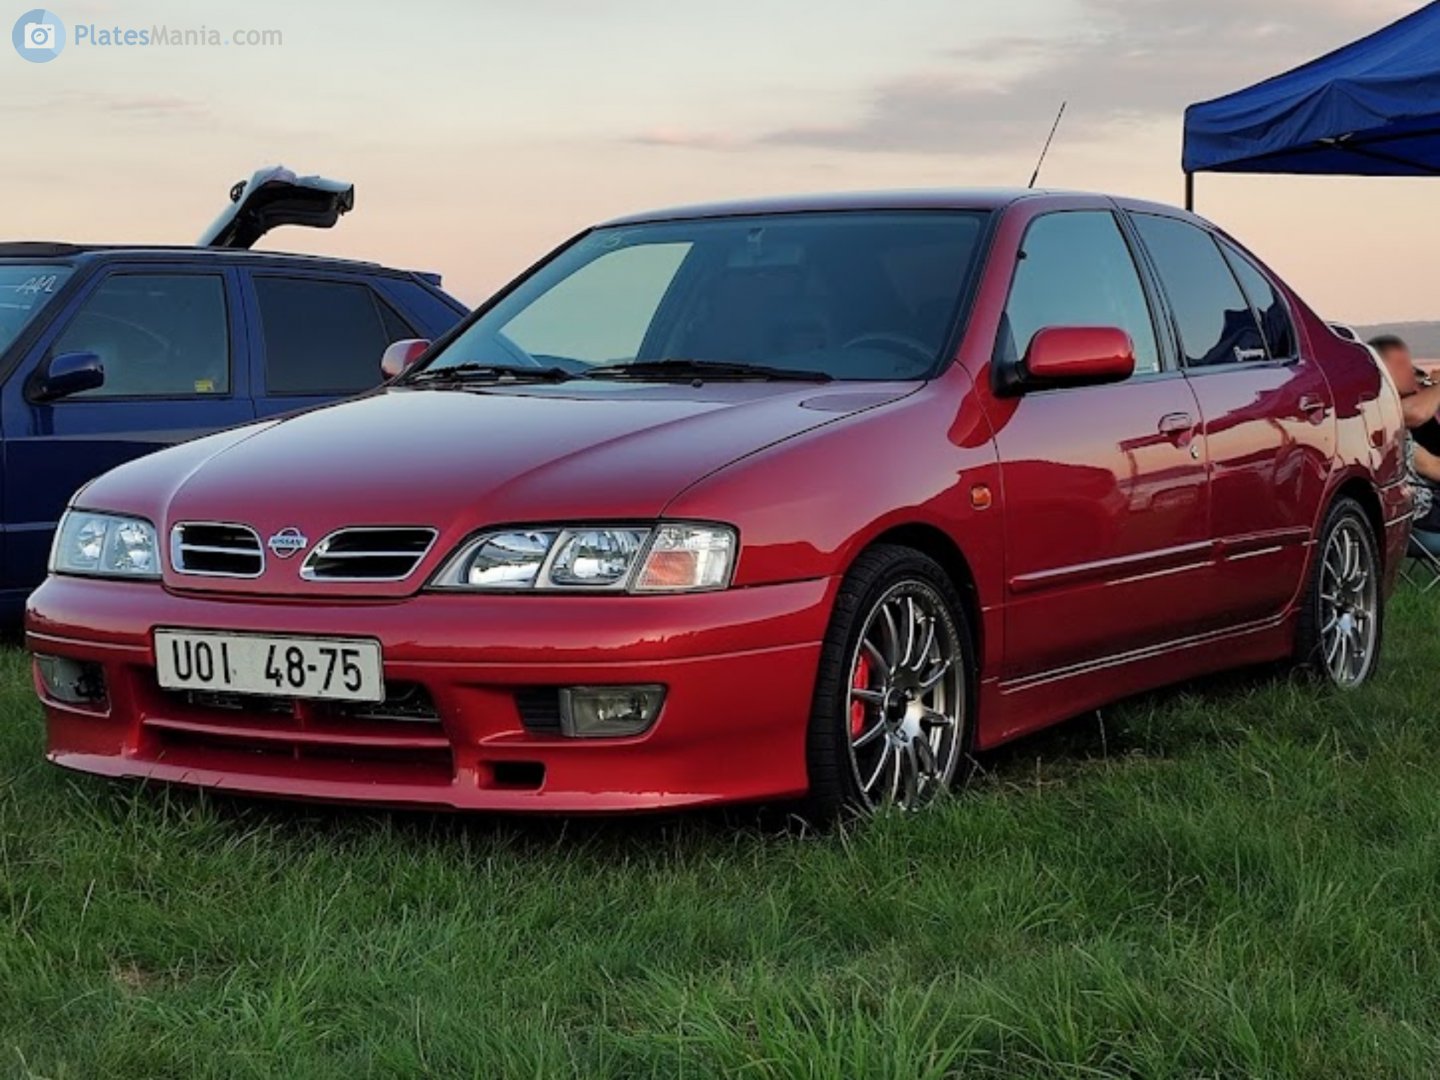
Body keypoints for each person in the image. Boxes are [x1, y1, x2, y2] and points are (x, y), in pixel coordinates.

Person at [1369, 335, 1440, 553]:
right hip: (1421, 520)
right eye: (1400, 365)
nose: (1409, 370)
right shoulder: (1383, 419)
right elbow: (1434, 468)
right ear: (1380, 371)